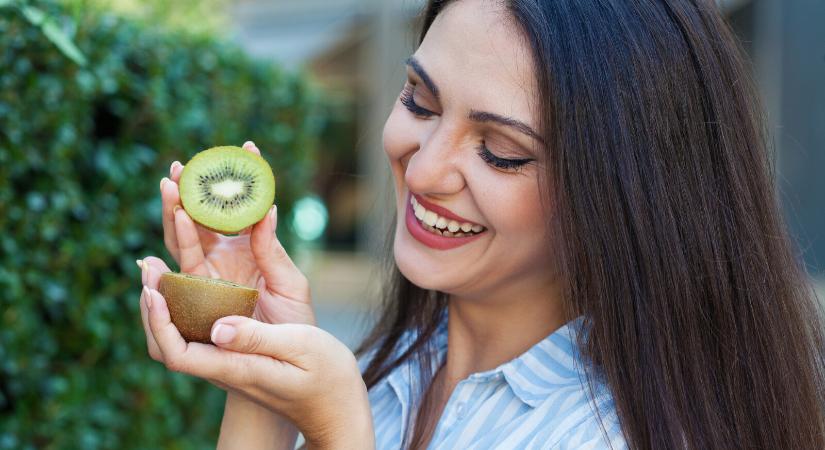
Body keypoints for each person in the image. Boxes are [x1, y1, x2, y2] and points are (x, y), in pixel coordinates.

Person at [136, 0, 825, 449]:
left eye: (502, 151)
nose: (425, 169)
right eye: (419, 101)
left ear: (624, 191)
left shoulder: (612, 434)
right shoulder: (399, 368)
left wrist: (337, 431)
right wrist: (262, 382)